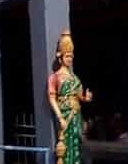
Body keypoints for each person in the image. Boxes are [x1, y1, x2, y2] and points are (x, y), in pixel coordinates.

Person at [48, 30, 92, 164]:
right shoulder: (55, 77)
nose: (70, 59)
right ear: (60, 57)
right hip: (65, 113)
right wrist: (60, 117)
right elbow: (51, 97)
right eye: (67, 56)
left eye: (71, 56)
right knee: (65, 144)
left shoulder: (75, 78)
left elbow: (79, 96)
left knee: (77, 142)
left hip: (76, 114)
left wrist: (86, 98)